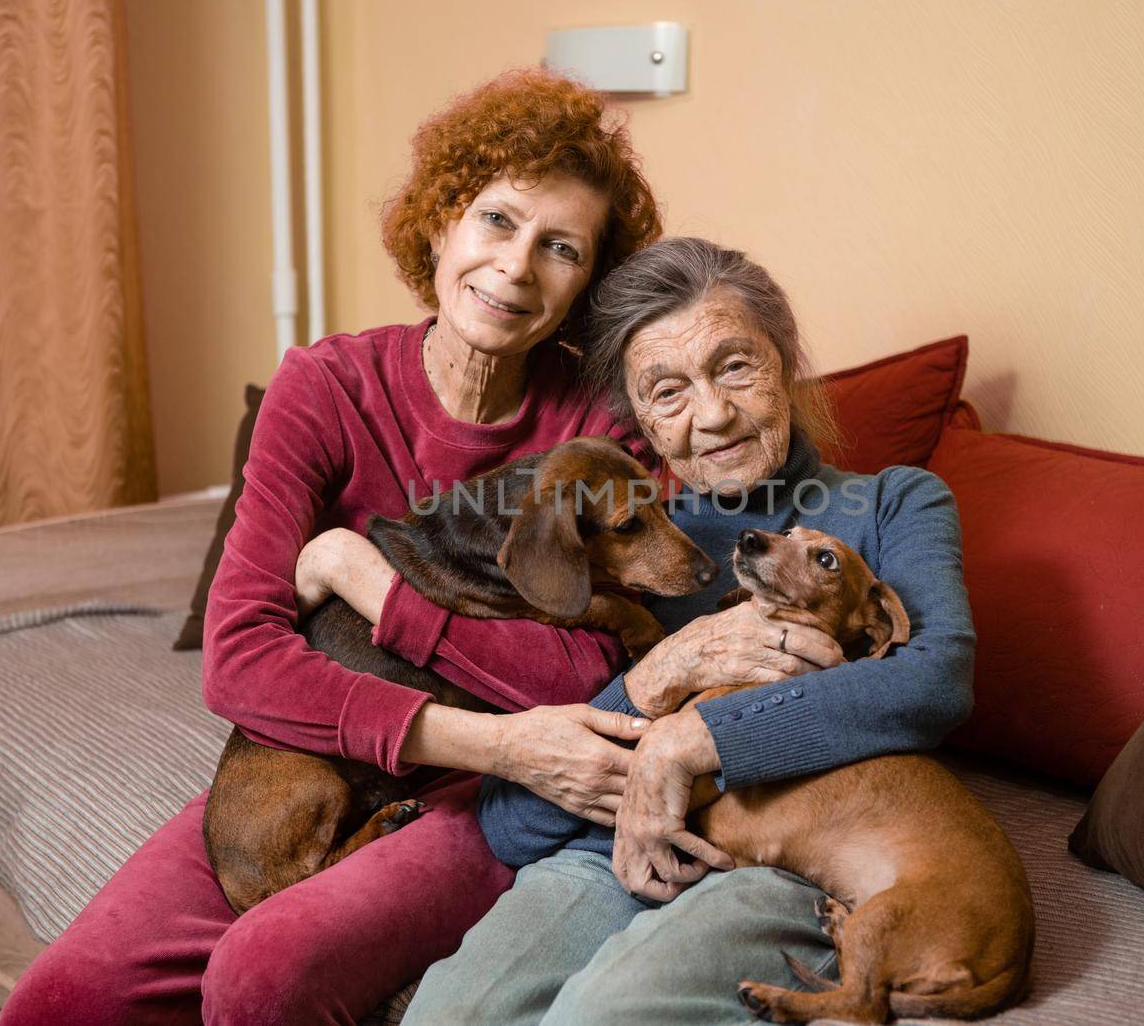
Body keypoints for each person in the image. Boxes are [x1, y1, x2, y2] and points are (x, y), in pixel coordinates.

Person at [0, 69, 663, 1026]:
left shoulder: (597, 423)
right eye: (496, 220)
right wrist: (499, 733)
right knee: (60, 1003)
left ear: (588, 279)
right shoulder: (324, 387)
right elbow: (240, 663)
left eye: (561, 247)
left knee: (264, 976)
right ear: (440, 223)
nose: (517, 267)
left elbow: (594, 660)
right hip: (333, 758)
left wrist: (372, 583)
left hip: (481, 804)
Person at [402, 237, 978, 1025]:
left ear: (784, 359)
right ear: (637, 416)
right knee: (448, 1015)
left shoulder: (892, 503)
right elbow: (513, 820)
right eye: (666, 391)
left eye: (736, 366)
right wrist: (659, 670)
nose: (711, 415)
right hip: (607, 851)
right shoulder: (620, 538)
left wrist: (691, 737)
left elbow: (934, 678)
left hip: (799, 856)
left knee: (602, 1016)